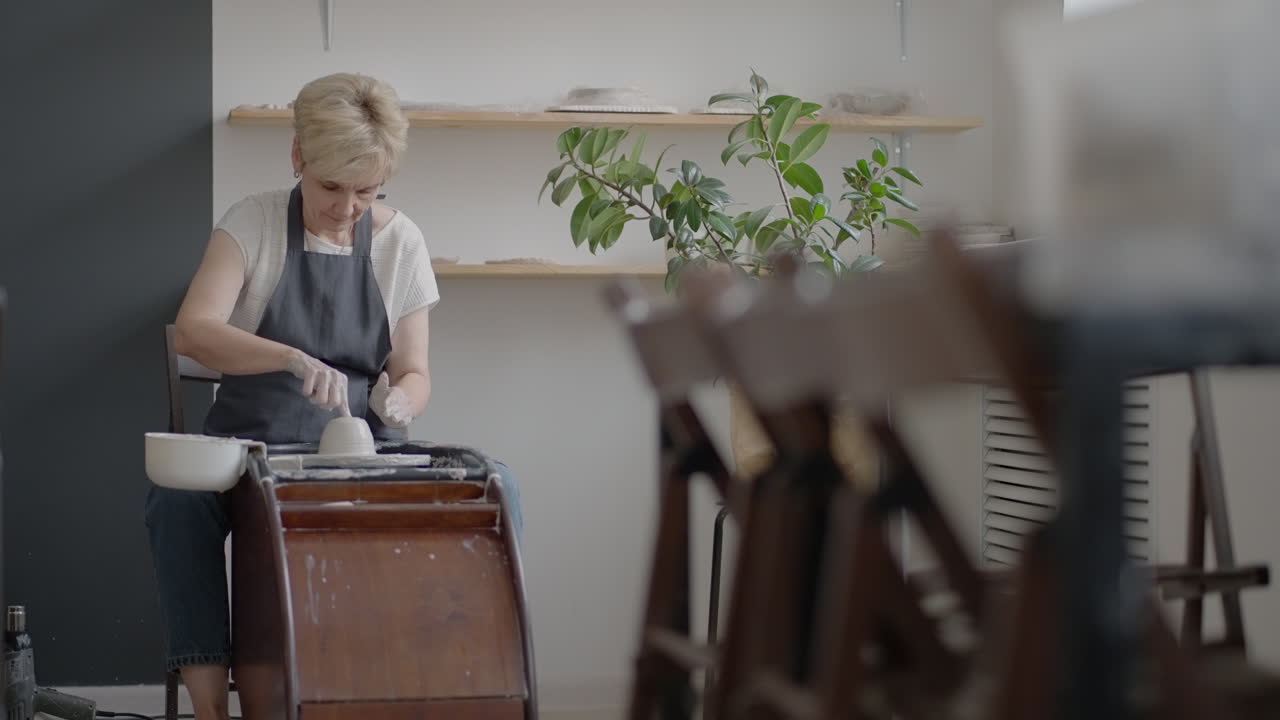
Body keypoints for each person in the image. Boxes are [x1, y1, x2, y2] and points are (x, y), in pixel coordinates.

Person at [144, 72, 521, 720]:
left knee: (496, 484)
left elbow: (416, 372)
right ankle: (212, 710)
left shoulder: (401, 243)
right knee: (176, 501)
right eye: (331, 188)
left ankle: (436, 688)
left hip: (359, 450)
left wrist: (405, 398)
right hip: (251, 444)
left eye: (367, 192)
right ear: (298, 157)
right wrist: (289, 357)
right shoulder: (254, 221)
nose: (349, 209)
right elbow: (197, 332)